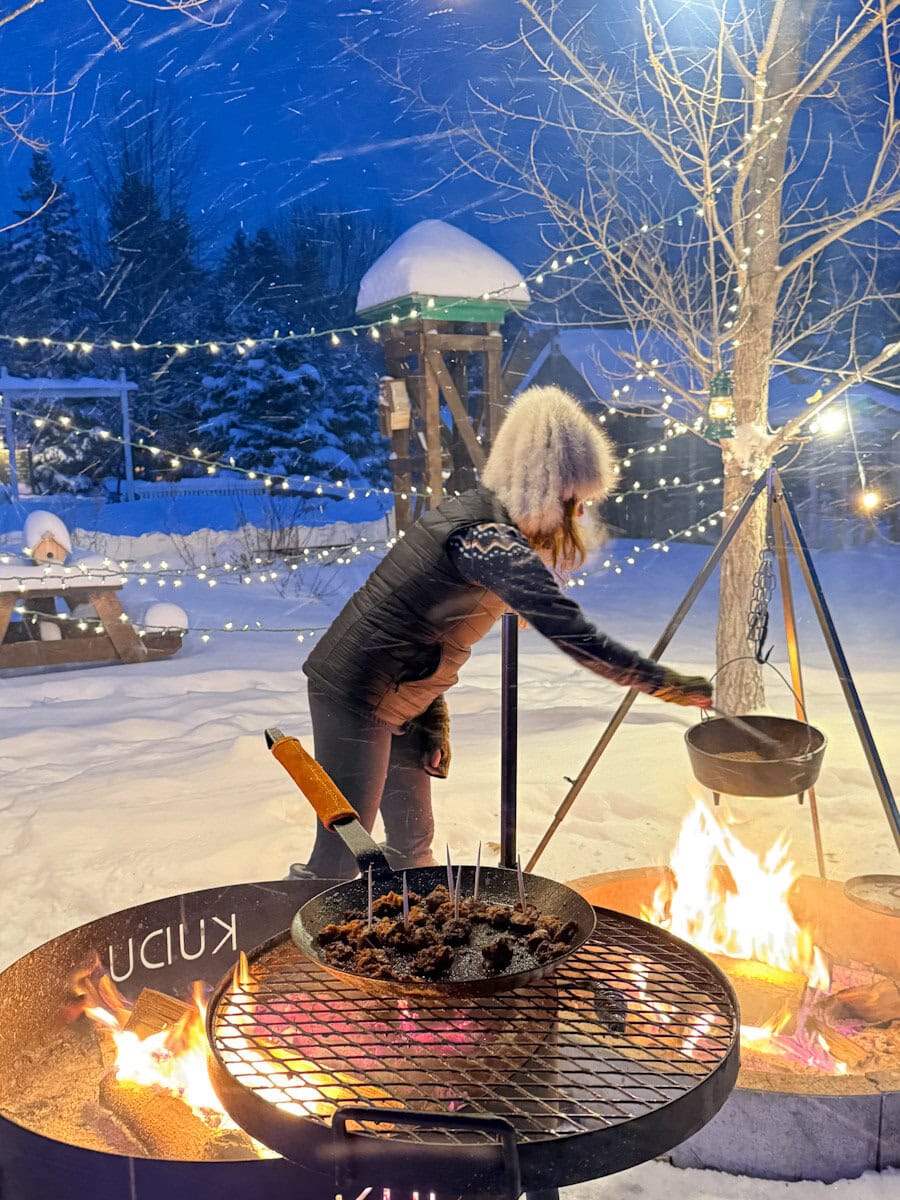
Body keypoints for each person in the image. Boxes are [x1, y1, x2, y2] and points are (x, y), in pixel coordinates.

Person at [289, 385, 712, 880]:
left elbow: (422, 625)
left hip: (399, 693)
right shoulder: (485, 538)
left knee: (412, 841)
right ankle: (272, 946)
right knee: (341, 854)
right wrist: (663, 683)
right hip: (357, 693)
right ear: (548, 489)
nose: (579, 517)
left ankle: (402, 936)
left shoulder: (483, 518)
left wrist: (430, 718)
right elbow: (572, 632)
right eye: (575, 501)